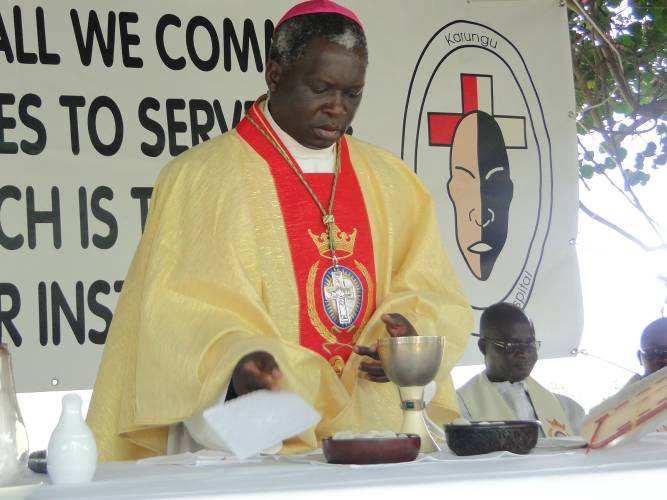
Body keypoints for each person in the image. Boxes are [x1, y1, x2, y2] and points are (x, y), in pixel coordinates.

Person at [87, 0, 473, 461]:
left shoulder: (392, 181)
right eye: (321, 88)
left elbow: (431, 289)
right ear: (274, 72)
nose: (336, 108)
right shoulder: (202, 178)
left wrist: (410, 337)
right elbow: (179, 319)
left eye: (352, 94)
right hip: (263, 445)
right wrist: (238, 367)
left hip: (379, 433)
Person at [457, 302, 584, 437]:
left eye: (529, 343)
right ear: (483, 347)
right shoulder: (460, 408)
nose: (523, 353)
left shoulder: (567, 410)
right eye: (511, 344)